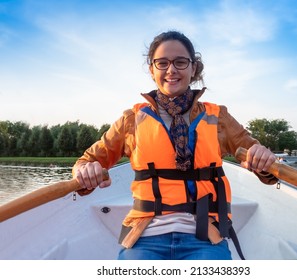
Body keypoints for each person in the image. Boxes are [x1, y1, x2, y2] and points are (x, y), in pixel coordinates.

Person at [72, 30, 278, 260]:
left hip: (206, 235)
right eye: (162, 63)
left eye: (180, 62)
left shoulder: (218, 117)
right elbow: (86, 161)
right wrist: (84, 170)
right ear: (152, 70)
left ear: (193, 68)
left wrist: (262, 159)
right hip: (145, 235)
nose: (171, 70)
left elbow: (264, 166)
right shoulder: (131, 120)